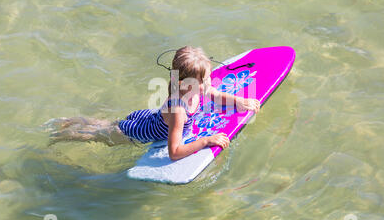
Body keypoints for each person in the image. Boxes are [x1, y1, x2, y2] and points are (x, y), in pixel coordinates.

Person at [46, 46, 260, 161]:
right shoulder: (179, 110)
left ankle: (66, 120)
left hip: (146, 117)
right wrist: (206, 141)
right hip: (134, 133)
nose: (207, 84)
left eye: (207, 78)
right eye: (202, 80)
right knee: (97, 134)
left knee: (105, 124)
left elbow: (213, 93)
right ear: (184, 83)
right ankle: (58, 133)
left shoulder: (194, 89)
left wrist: (240, 101)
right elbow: (174, 152)